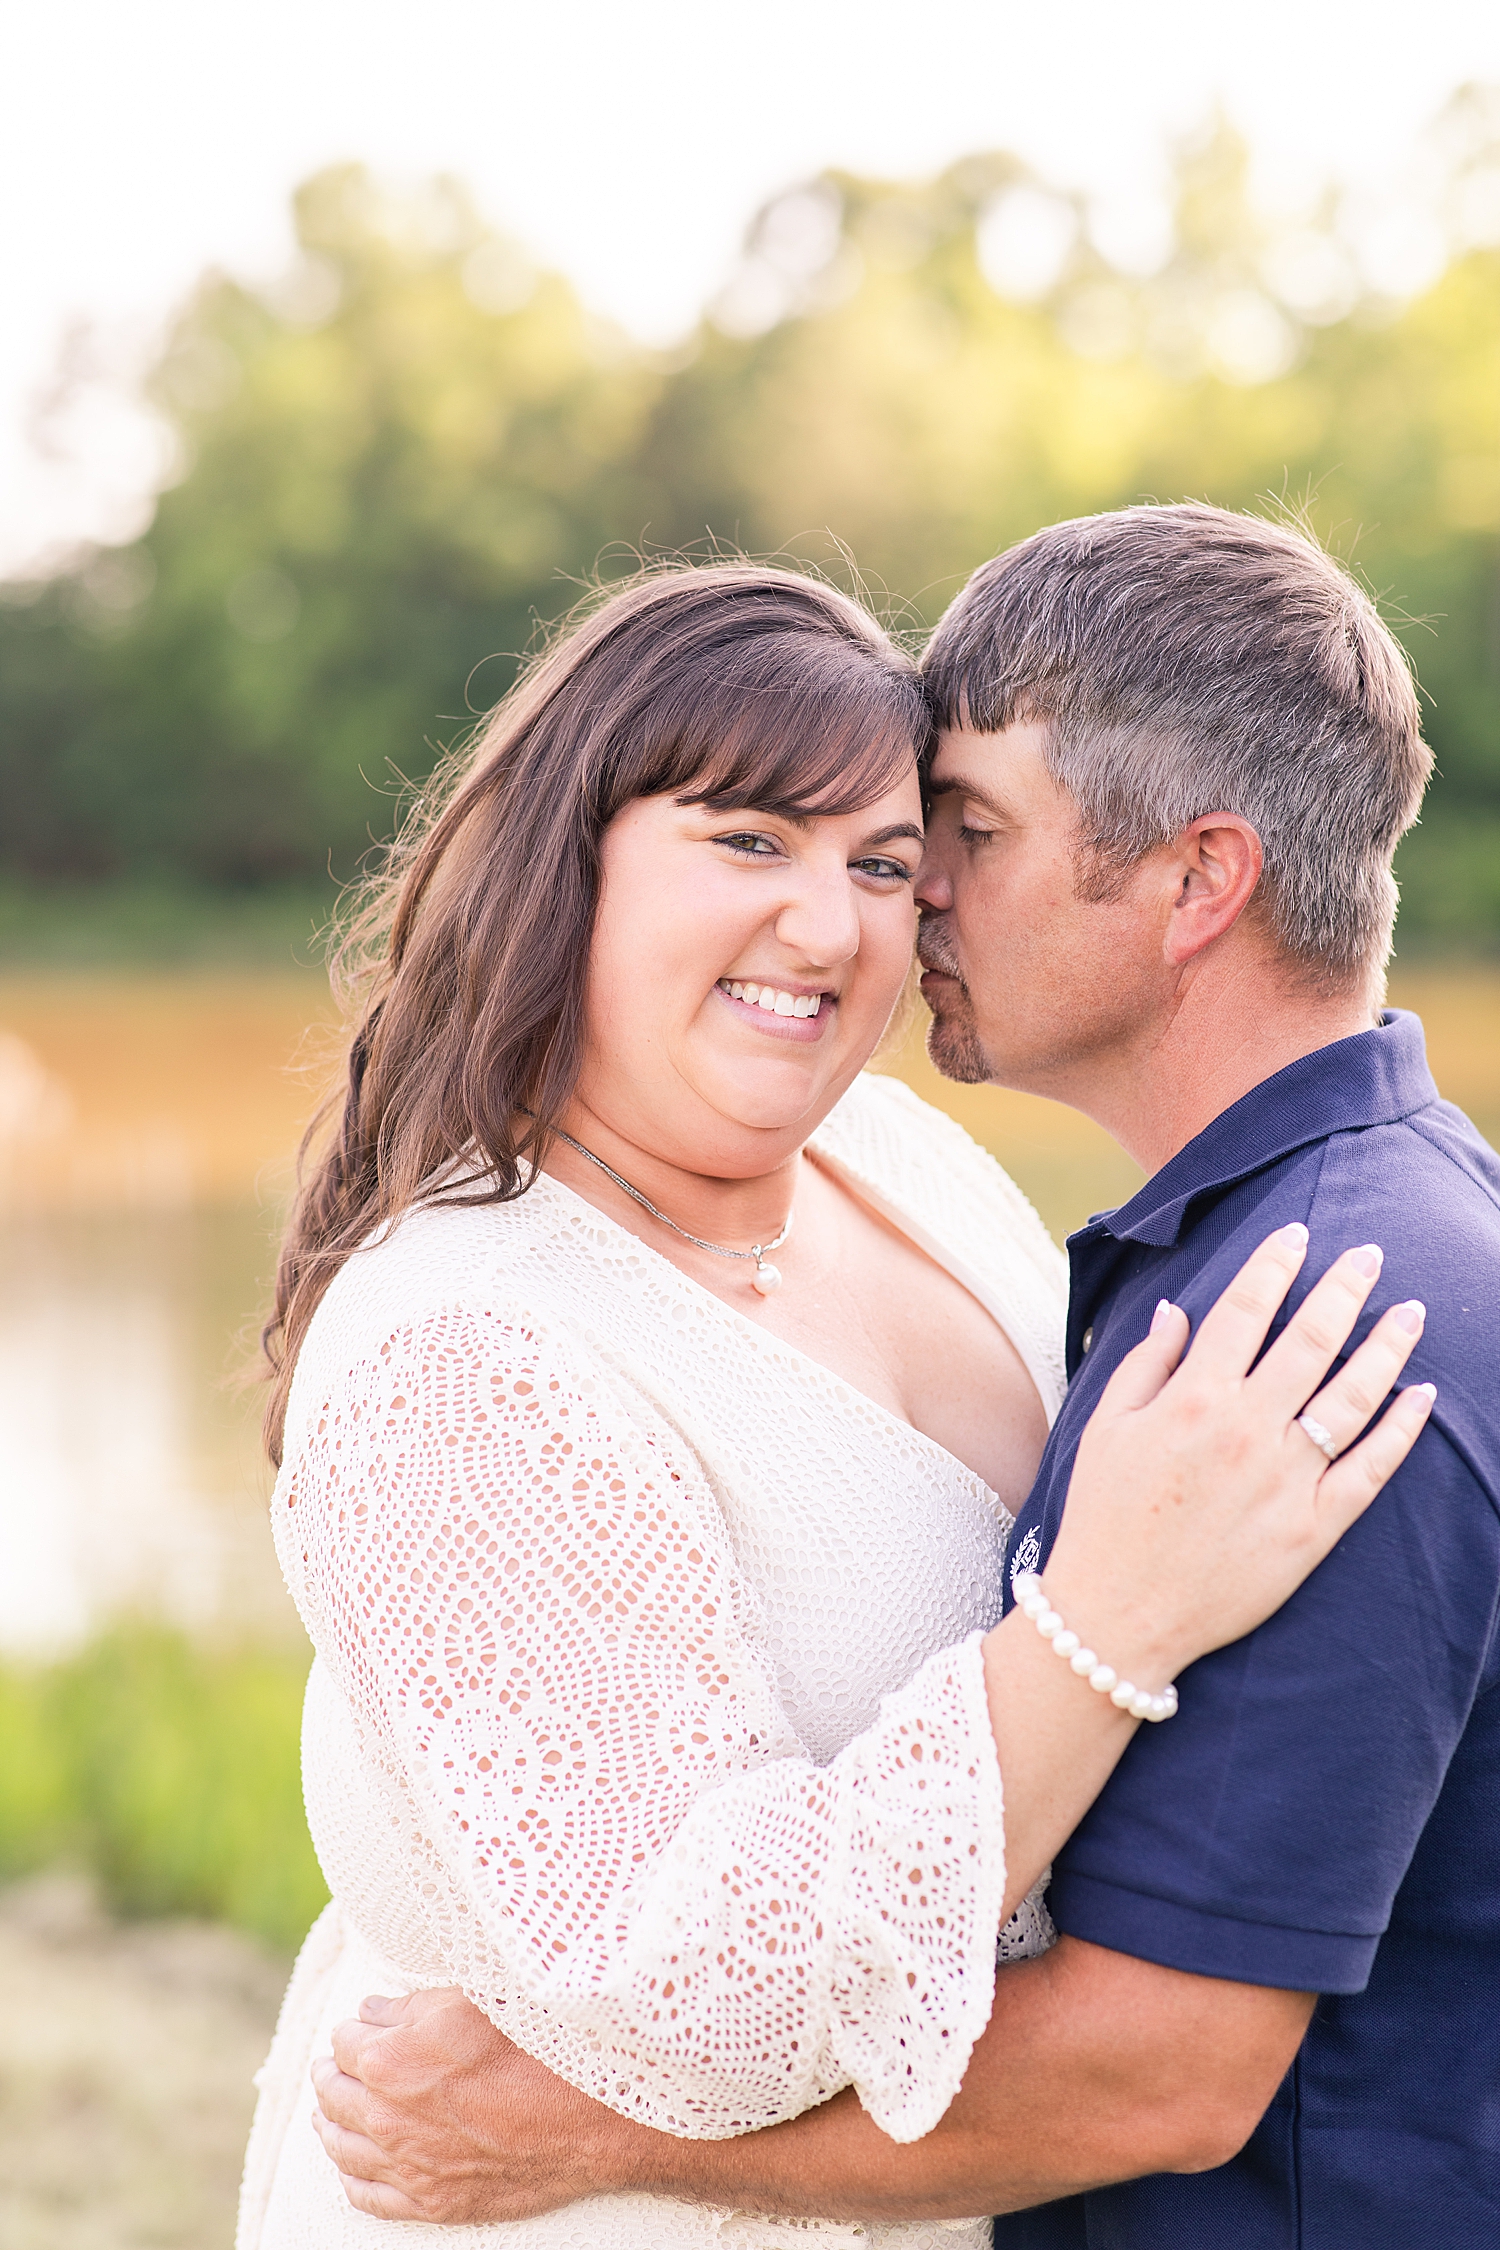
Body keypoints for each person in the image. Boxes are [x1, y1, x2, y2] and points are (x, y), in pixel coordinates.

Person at [308, 511, 1500, 2248]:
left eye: (917, 846)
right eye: (748, 837)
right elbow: (662, 1971)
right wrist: (1097, 1624)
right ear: (577, 856)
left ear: (1198, 882)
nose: (891, 903)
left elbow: (1168, 2057)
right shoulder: (462, 1354)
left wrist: (1103, 1621)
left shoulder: (1066, 1223)